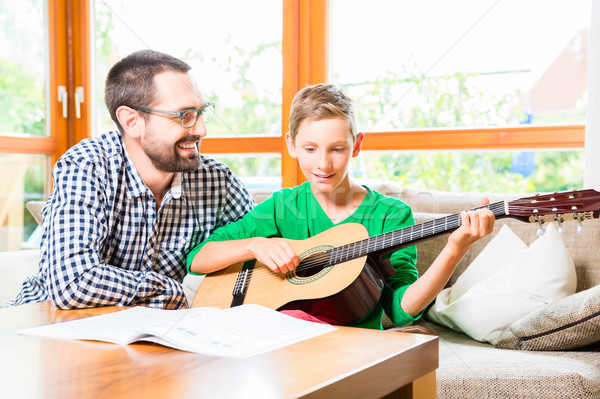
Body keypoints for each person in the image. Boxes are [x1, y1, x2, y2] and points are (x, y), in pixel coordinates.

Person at [187, 83, 495, 329]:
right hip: (278, 341)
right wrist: (254, 246)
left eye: (337, 149)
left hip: (348, 350)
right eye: (310, 149)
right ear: (291, 145)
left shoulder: (390, 214)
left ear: (357, 144)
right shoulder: (283, 206)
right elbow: (198, 258)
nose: (323, 164)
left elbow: (402, 311)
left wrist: (455, 248)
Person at [4, 50, 255, 310]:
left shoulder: (217, 181)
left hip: (141, 338)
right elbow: (73, 282)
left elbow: (265, 251)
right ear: (132, 121)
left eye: (202, 112)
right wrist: (169, 290)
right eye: (185, 115)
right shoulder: (87, 165)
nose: (202, 129)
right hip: (39, 326)